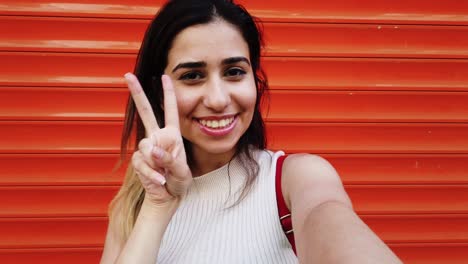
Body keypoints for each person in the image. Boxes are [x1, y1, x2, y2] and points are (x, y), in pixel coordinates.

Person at [100, 0, 402, 263]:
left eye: (234, 72)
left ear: (254, 82)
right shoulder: (133, 206)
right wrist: (158, 206)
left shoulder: (295, 180)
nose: (218, 100)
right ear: (158, 91)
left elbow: (331, 223)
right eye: (192, 76)